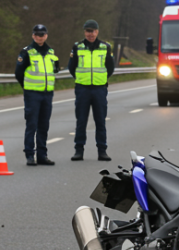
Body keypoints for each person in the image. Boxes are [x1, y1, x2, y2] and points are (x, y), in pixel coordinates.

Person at [68, 19, 114, 162]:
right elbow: (72, 67)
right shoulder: (77, 47)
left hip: (99, 89)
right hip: (83, 89)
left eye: (93, 31)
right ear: (84, 32)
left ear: (97, 32)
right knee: (81, 121)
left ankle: (102, 151)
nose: (90, 34)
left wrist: (101, 79)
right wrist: (82, 79)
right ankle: (79, 151)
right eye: (88, 31)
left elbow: (110, 67)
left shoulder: (105, 47)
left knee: (100, 121)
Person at [15, 24, 59, 166]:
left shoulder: (51, 52)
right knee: (32, 125)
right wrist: (27, 87)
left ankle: (42, 155)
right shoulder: (27, 52)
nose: (40, 37)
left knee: (44, 125)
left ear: (46, 35)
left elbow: (55, 70)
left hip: (47, 94)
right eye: (37, 34)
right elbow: (19, 73)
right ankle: (29, 155)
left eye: (43, 34)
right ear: (33, 35)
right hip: (32, 94)